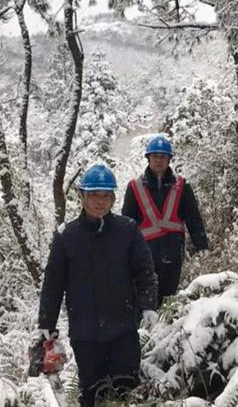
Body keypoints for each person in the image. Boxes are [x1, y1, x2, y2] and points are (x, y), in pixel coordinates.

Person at [32, 164, 159, 407]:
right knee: (91, 392)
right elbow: (53, 283)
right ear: (81, 196)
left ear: (113, 198)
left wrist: (148, 305)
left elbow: (145, 271)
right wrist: (46, 324)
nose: (100, 201)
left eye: (106, 195)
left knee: (127, 390)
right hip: (85, 333)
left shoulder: (128, 230)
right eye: (94, 195)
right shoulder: (66, 237)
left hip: (123, 329)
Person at [122, 135, 209, 306]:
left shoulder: (182, 186)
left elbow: (193, 217)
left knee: (168, 298)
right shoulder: (135, 187)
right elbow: (127, 223)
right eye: (155, 156)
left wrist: (202, 244)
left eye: (163, 156)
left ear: (169, 159)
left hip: (173, 252)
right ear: (148, 158)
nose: (159, 161)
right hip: (144, 254)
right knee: (145, 297)